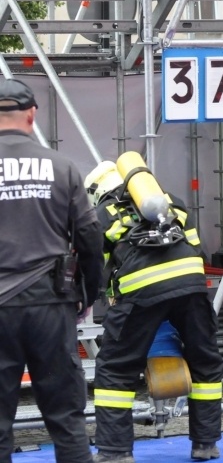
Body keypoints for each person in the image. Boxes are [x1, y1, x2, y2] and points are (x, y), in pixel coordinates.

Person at [85, 160, 223, 463]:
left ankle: (115, 451)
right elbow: (197, 249)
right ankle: (206, 443)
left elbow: (96, 269)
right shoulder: (171, 200)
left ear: (97, 191)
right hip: (191, 283)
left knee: (115, 368)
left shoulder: (102, 214)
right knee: (205, 360)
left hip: (142, 289)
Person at [0, 78, 103, 463]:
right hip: (50, 303)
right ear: (32, 114)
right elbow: (91, 237)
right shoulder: (62, 167)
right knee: (66, 418)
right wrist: (88, 295)